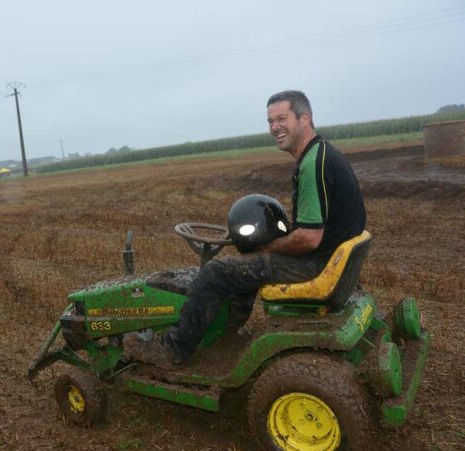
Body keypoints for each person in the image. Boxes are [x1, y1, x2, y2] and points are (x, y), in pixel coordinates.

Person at [123, 90, 367, 367]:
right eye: (270, 121)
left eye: (282, 119)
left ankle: (174, 349)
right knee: (247, 267)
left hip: (317, 264)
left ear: (305, 118)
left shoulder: (313, 164)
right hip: (332, 259)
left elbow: (309, 238)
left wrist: (268, 246)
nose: (275, 127)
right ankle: (226, 334)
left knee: (217, 272)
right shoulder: (324, 152)